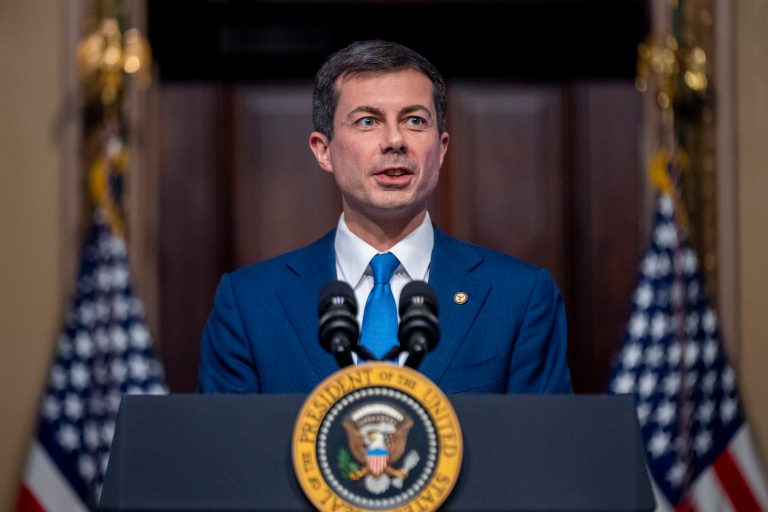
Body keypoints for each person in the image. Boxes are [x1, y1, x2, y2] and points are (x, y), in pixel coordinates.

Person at [198, 40, 572, 394]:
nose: (395, 140)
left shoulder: (519, 297)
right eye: (367, 121)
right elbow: (228, 453)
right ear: (323, 150)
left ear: (441, 149)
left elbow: (541, 450)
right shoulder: (249, 304)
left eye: (414, 121)